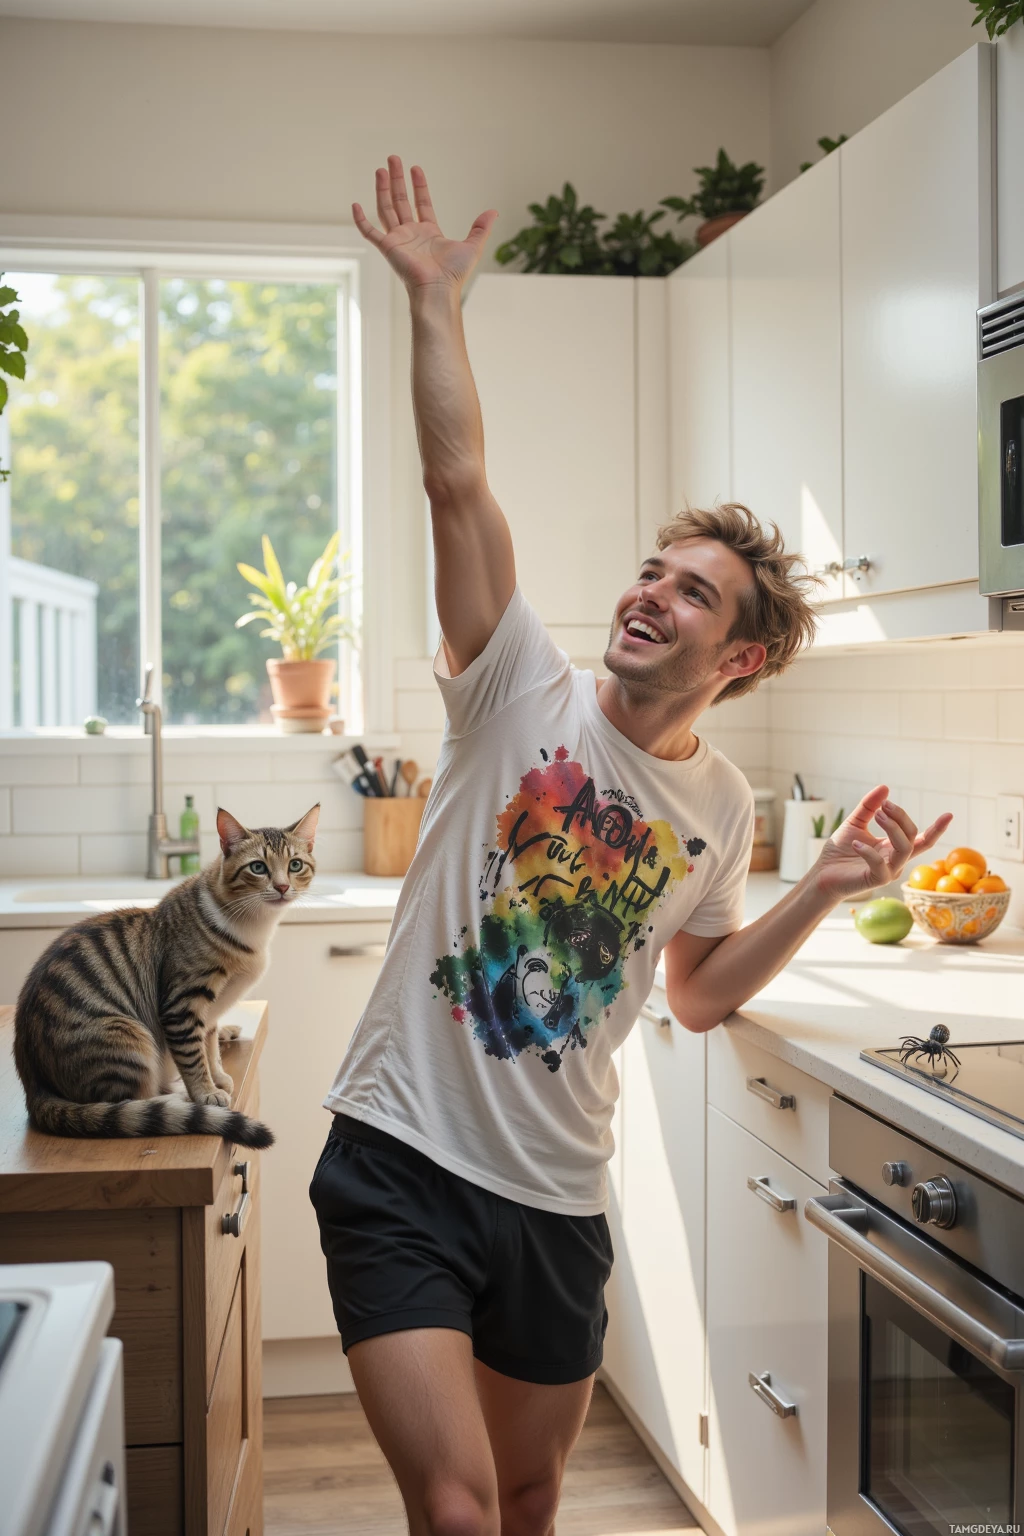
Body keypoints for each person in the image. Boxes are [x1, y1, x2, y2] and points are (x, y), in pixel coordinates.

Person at [309, 155, 951, 1536]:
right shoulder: (515, 685)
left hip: (554, 1194)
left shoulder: (719, 806)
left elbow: (702, 995)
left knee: (534, 1496)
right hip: (401, 1159)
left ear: (745, 654)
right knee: (463, 1508)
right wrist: (434, 302)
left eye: (693, 590)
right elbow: (455, 479)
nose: (650, 594)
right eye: (654, 571)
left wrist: (828, 890)